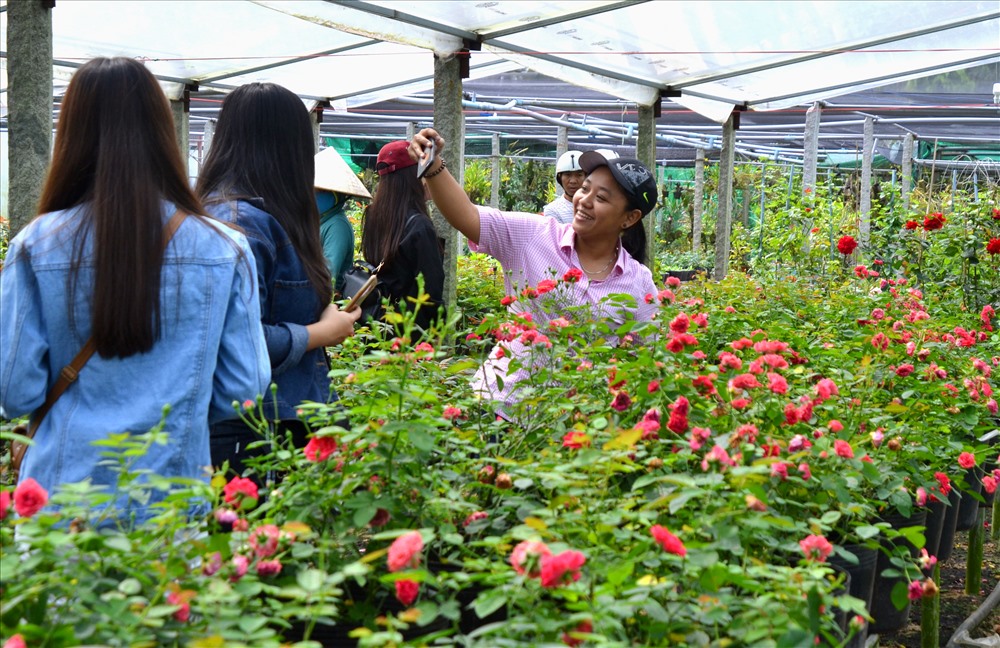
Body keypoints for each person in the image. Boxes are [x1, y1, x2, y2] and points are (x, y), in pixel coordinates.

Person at [0, 57, 270, 522]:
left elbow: (14, 391)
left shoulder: (35, 245)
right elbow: (243, 389)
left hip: (60, 509)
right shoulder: (226, 248)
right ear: (162, 134)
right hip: (171, 505)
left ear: (72, 134)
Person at [408, 128, 659, 408]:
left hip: (573, 425)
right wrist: (433, 166)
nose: (584, 200)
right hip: (501, 404)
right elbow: (467, 215)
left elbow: (648, 357)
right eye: (585, 189)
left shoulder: (637, 282)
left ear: (630, 218)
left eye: (601, 198)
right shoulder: (534, 235)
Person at [196, 82, 361, 479]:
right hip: (251, 431)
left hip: (280, 420)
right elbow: (232, 340)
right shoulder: (239, 224)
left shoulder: (260, 214)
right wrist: (323, 332)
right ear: (287, 148)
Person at [359, 140, 445, 333]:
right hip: (411, 330)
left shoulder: (372, 215)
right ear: (414, 177)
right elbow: (432, 288)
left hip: (377, 322)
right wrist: (438, 330)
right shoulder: (420, 226)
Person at [314, 147, 371, 293]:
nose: (313, 195)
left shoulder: (337, 226)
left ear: (336, 196)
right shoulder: (322, 220)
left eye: (321, 192)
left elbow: (328, 274)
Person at [542, 150, 585, 224]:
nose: (573, 181)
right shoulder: (553, 210)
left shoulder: (595, 205)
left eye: (579, 175)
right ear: (560, 178)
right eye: (568, 175)